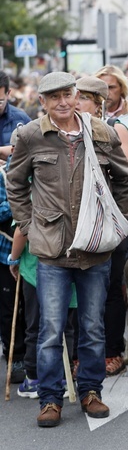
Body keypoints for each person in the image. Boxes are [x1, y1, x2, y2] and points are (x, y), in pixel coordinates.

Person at [6, 72, 128, 427]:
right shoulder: (31, 135)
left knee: (93, 327)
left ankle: (91, 391)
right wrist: (29, 226)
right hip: (51, 249)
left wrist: (117, 220)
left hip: (94, 249)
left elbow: (123, 178)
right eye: (54, 97)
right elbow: (15, 184)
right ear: (43, 102)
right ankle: (50, 399)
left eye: (68, 94)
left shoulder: (101, 132)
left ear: (77, 96)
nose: (62, 102)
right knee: (51, 329)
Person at [75, 75, 128, 377]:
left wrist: (121, 214)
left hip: (111, 222)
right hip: (75, 224)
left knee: (112, 287)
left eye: (82, 98)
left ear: (98, 104)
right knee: (78, 290)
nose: (74, 103)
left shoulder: (115, 130)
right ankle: (81, 354)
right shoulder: (65, 133)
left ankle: (112, 350)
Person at [0, 71, 30, 384]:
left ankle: (17, 354)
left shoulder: (21, 119)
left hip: (8, 234)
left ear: (8, 93)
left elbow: (19, 161)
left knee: (12, 302)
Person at [95, 65, 128, 131]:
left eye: (111, 87)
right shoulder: (90, 113)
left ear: (122, 88)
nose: (106, 93)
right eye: (102, 88)